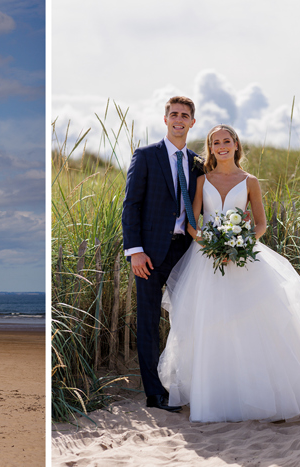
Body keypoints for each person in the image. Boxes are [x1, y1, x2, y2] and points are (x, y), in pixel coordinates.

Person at [157, 124, 300, 422]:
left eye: (227, 141)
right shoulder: (202, 181)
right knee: (210, 323)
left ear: (236, 145)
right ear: (210, 148)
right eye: (215, 142)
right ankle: (217, 395)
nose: (222, 146)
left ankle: (267, 394)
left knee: (258, 321)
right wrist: (211, 244)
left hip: (243, 256)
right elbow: (192, 223)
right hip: (207, 258)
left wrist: (239, 244)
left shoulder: (250, 181)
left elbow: (261, 224)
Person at [122, 96, 203, 413]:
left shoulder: (197, 163)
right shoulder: (146, 156)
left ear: (192, 122)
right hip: (150, 255)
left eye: (185, 115)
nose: (179, 119)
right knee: (148, 323)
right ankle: (155, 394)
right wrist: (135, 251)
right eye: (174, 114)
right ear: (165, 119)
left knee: (188, 319)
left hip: (185, 252)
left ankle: (187, 386)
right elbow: (131, 206)